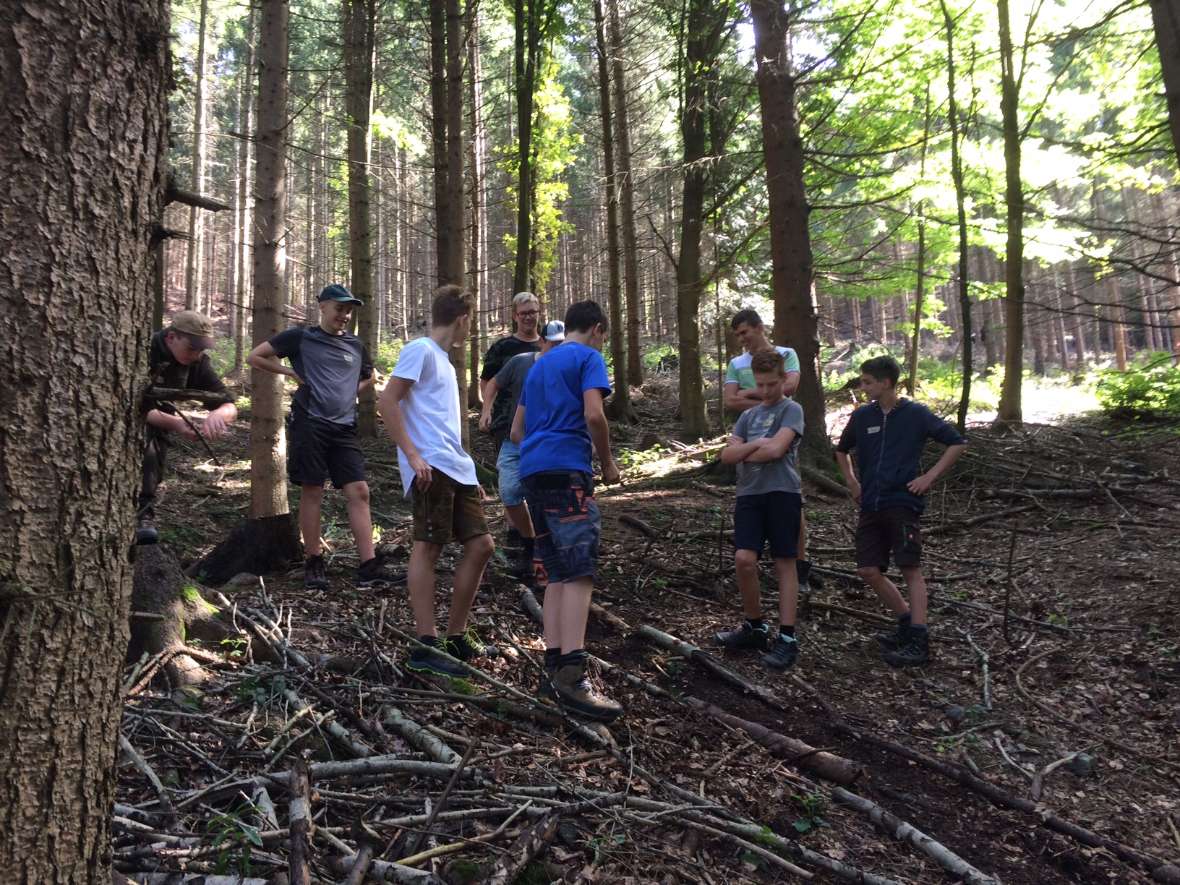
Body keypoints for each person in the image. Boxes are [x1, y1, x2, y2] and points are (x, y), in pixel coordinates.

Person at [511, 300, 622, 722]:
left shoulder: (541, 364)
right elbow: (595, 414)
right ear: (596, 329)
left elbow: (518, 430)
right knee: (579, 570)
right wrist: (607, 461)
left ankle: (553, 667)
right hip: (567, 471)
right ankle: (573, 678)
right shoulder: (588, 358)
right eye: (603, 338)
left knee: (556, 571)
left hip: (533, 472)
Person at [379, 285, 496, 678]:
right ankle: (425, 644)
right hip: (429, 465)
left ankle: (454, 638)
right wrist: (413, 455)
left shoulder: (446, 362)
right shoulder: (420, 350)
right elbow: (387, 401)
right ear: (462, 318)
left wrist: (469, 471)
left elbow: (444, 424)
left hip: (454, 467)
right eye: (470, 322)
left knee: (481, 546)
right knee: (428, 547)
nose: (469, 329)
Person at [247, 284, 394, 590]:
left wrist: (347, 393)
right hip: (310, 423)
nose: (344, 315)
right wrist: (292, 375)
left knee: (359, 490)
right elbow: (256, 356)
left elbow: (368, 375)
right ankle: (313, 561)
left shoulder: (355, 344)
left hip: (344, 427)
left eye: (349, 310)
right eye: (339, 308)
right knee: (313, 489)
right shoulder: (301, 337)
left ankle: (368, 564)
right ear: (323, 307)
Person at [835, 355, 967, 667]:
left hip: (903, 503)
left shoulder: (915, 414)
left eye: (868, 382)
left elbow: (957, 442)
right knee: (868, 570)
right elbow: (841, 450)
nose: (863, 387)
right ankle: (907, 624)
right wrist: (853, 484)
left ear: (886, 383)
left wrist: (929, 477)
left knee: (910, 568)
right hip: (871, 504)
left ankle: (919, 641)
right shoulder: (863, 416)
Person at [713, 350, 806, 671]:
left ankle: (787, 637)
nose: (766, 391)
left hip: (782, 493)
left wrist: (745, 450)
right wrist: (755, 446)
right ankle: (755, 625)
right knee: (744, 559)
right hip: (749, 495)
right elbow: (727, 456)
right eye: (761, 385)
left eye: (771, 384)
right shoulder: (747, 417)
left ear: (783, 380)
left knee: (785, 562)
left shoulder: (791, 409)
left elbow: (777, 450)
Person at [722, 308, 814, 588]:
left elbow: (790, 387)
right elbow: (730, 401)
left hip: (784, 430)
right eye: (737, 335)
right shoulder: (737, 363)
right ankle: (764, 560)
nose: (742, 340)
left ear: (759, 327)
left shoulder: (787, 354)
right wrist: (764, 401)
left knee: (791, 498)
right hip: (749, 434)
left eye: (745, 332)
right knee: (753, 489)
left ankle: (799, 566)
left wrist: (750, 394)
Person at [138, 310, 238, 545]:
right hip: (135, 416)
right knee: (148, 447)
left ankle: (144, 516)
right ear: (171, 337)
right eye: (192, 348)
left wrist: (219, 414)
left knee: (156, 455)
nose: (196, 355)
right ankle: (139, 516)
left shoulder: (197, 362)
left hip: (162, 414)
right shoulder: (144, 350)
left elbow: (228, 402)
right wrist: (176, 423)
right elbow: (134, 407)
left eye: (201, 349)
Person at [479, 320, 566, 584]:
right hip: (513, 440)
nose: (557, 348)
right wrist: (486, 410)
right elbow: (493, 383)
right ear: (542, 342)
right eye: (553, 343)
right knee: (509, 493)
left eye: (562, 344)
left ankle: (547, 555)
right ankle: (530, 544)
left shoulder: (567, 368)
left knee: (545, 500)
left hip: (549, 445)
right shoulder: (521, 362)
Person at [480, 293, 542, 559]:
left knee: (536, 483)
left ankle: (538, 537)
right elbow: (487, 382)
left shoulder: (549, 345)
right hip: (506, 425)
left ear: (539, 313)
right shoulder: (503, 348)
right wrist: (488, 410)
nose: (528, 316)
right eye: (523, 312)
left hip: (542, 428)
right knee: (511, 484)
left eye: (533, 311)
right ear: (515, 315)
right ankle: (516, 537)